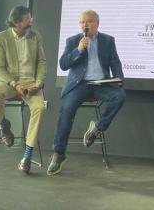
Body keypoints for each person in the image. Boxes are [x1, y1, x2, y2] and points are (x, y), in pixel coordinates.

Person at [47, 10, 126, 175]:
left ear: (97, 23)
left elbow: (115, 61)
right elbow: (63, 65)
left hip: (101, 84)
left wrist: (118, 78)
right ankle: (59, 153)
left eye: (89, 22)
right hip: (79, 84)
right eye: (82, 22)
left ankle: (97, 127)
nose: (85, 25)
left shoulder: (108, 40)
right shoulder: (73, 41)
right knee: (66, 111)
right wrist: (78, 50)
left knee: (119, 96)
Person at [0, 5, 46, 174]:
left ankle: (27, 156)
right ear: (17, 22)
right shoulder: (1, 38)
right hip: (9, 81)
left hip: (31, 82)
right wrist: (14, 84)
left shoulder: (35, 37)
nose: (31, 21)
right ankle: (4, 124)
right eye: (28, 19)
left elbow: (42, 62)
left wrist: (39, 81)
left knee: (40, 108)